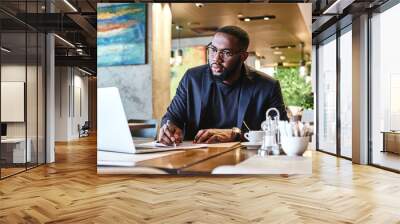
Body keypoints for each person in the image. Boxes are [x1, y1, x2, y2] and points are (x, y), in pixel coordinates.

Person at [158, 25, 288, 145]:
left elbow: (282, 132)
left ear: (243, 57)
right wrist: (169, 128)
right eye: (213, 50)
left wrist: (236, 134)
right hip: (193, 155)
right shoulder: (192, 78)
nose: (216, 59)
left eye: (226, 53)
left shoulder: (267, 86)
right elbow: (172, 117)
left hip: (244, 160)